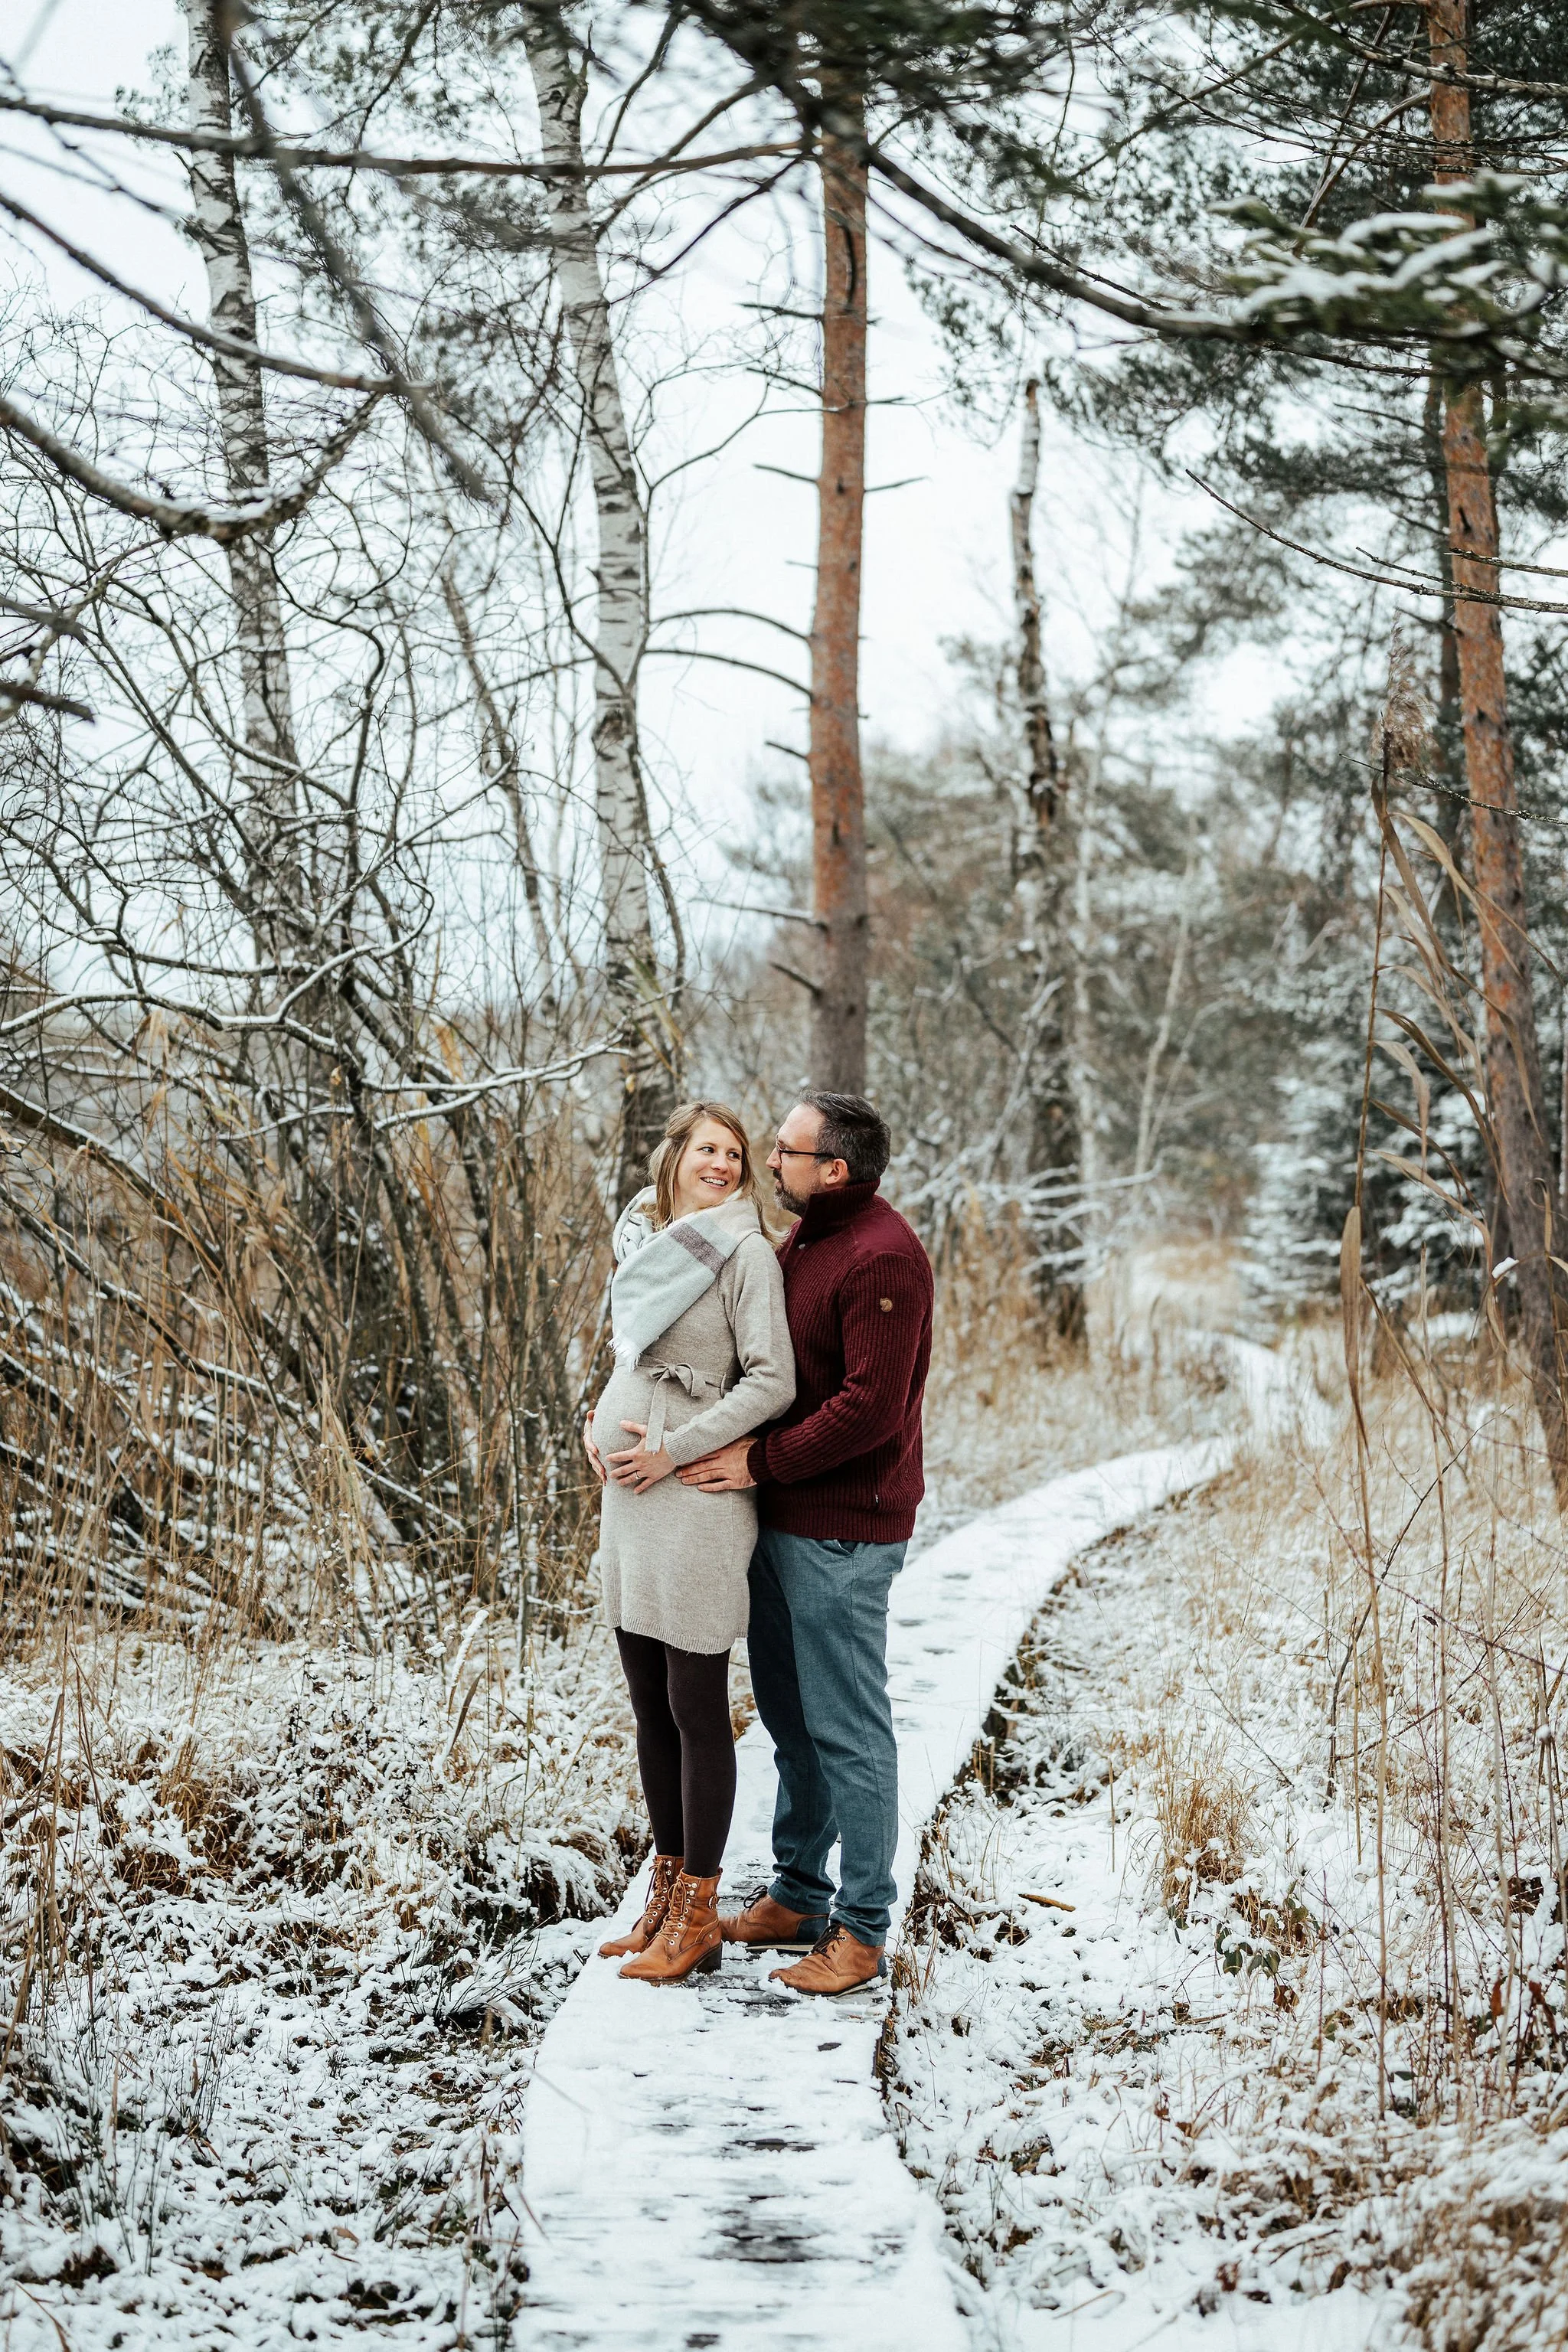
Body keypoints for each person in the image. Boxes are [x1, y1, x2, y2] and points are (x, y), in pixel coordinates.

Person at [678, 1090, 933, 1998]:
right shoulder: (810, 1239)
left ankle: (862, 1929)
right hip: (785, 1522)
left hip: (841, 1532)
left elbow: (869, 1406)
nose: (767, 1160)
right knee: (791, 1722)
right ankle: (798, 1890)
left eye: (783, 1149)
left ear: (834, 1169)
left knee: (848, 1729)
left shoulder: (882, 1258)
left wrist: (761, 1460)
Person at [583, 1101, 795, 1984]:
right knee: (646, 1703)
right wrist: (594, 1421)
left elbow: (772, 1381)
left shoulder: (744, 1254)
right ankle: (663, 1896)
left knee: (694, 1702)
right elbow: (631, 1358)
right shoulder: (646, 1241)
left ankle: (700, 1910)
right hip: (628, 1501)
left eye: (734, 1153)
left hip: (694, 1496)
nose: (720, 1163)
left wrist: (675, 1446)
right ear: (673, 1157)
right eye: (705, 1148)